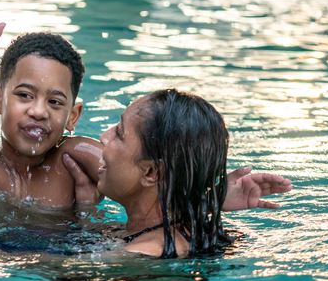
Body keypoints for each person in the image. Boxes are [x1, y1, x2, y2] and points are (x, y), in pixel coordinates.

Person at [0, 0, 290, 215]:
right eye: (24, 95)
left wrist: (210, 199)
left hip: (68, 262)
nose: (38, 111)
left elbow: (144, 176)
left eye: (55, 102)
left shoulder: (74, 157)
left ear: (73, 116)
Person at [64, 89, 231, 258]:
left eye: (119, 133)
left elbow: (53, 269)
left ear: (151, 172)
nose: (104, 136)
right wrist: (86, 210)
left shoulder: (140, 254)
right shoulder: (187, 232)